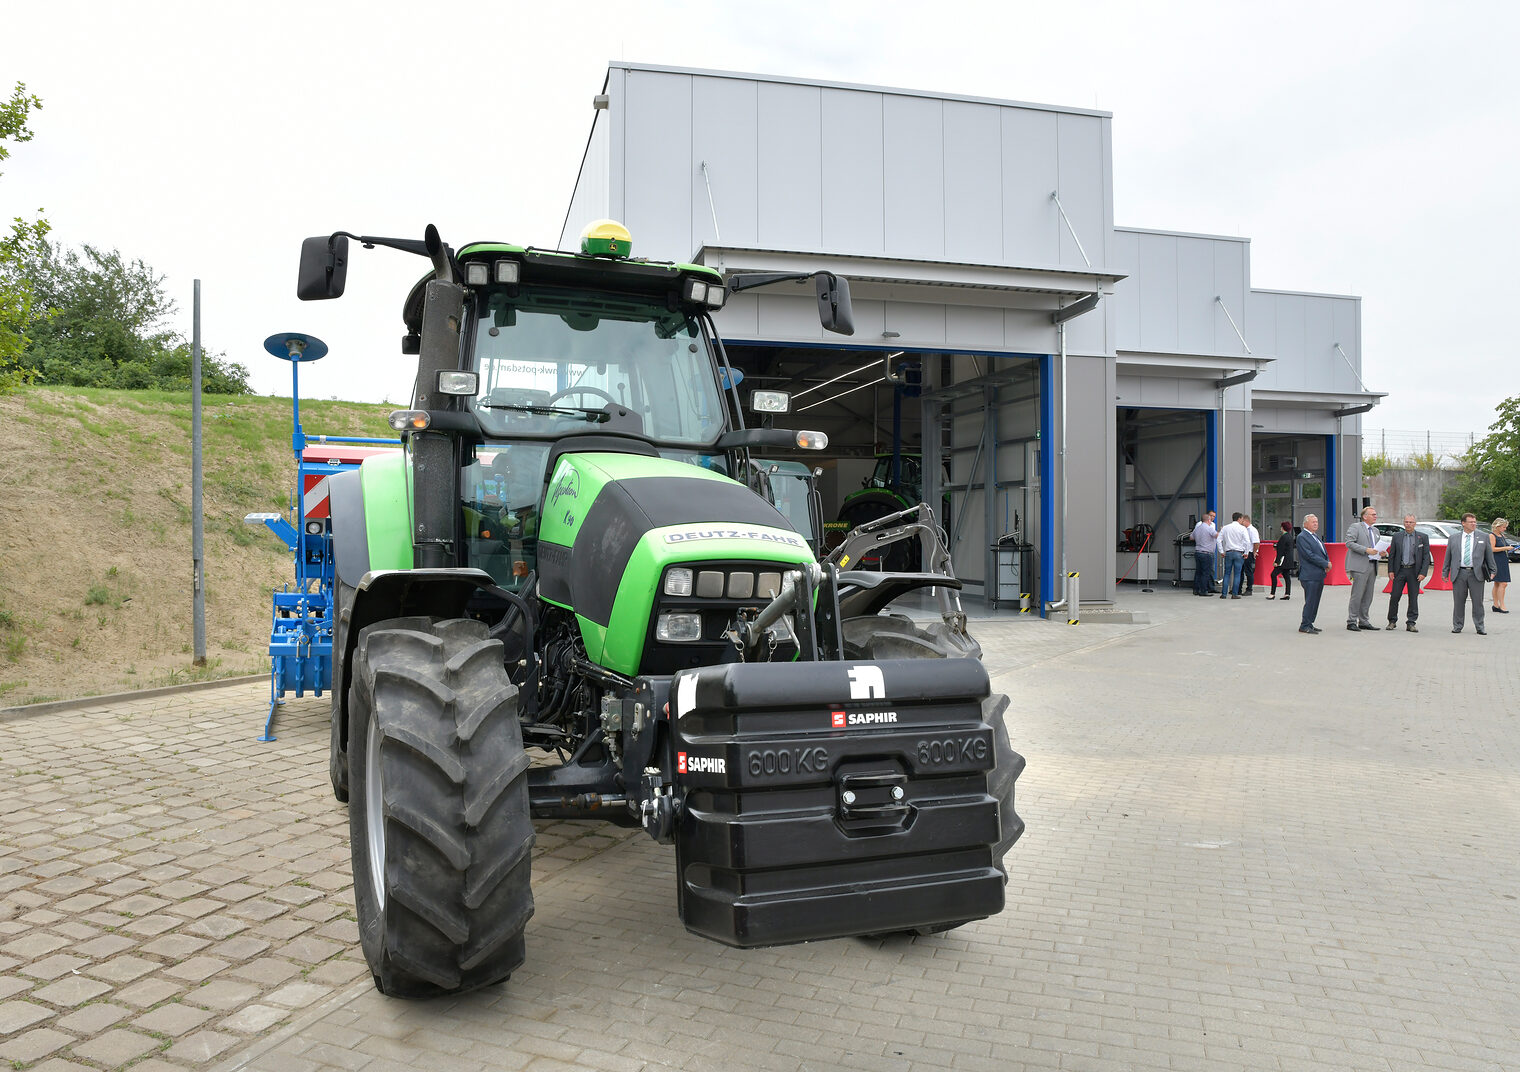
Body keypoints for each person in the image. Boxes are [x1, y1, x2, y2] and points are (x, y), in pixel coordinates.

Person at [1443, 512, 1497, 634]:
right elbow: (1448, 557)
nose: (1474, 524)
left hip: (1476, 574)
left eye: (1475, 522)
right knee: (1458, 602)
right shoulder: (1454, 538)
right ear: (1463, 523)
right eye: (1471, 522)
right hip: (1459, 573)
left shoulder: (1483, 537)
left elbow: (1489, 555)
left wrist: (1493, 570)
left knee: (1478, 602)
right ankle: (1457, 625)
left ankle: (1480, 626)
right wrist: (1445, 572)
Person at [1384, 513, 1431, 632]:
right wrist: (1390, 570)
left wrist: (1423, 572)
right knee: (1394, 596)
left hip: (1414, 571)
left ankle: (1411, 622)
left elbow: (1426, 557)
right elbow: (1392, 555)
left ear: (1415, 524)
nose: (1408, 524)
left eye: (1411, 522)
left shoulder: (1423, 537)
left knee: (1413, 597)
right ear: (1403, 523)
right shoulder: (1397, 536)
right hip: (1400, 570)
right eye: (1406, 522)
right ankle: (1392, 621)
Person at [1344, 506, 1383, 631]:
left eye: (1376, 514)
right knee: (1357, 594)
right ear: (1365, 516)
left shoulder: (1376, 531)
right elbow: (1349, 543)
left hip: (1373, 565)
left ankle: (1364, 620)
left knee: (1368, 595)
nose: (1375, 516)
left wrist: (1382, 553)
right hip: (1360, 566)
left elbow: (1376, 547)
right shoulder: (1356, 527)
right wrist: (1366, 550)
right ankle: (1351, 621)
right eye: (1373, 514)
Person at [1296, 514, 1330, 633]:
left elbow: (1322, 552)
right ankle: (1304, 625)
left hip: (1318, 574)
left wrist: (1326, 562)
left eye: (1316, 521)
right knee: (1310, 601)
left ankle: (1310, 622)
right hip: (1309, 574)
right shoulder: (1302, 537)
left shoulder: (1315, 536)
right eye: (1313, 522)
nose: (1316, 524)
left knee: (1315, 601)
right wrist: (1325, 563)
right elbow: (1309, 555)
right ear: (1305, 524)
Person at [1218, 512, 1252, 599]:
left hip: (1228, 552)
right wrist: (1246, 553)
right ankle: (1234, 593)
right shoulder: (1242, 529)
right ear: (1239, 518)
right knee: (1237, 574)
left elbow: (1218, 540)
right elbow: (1247, 541)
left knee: (1227, 573)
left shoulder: (1225, 528)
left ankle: (1224, 594)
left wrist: (1221, 551)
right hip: (1238, 553)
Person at [1190, 511, 1218, 596]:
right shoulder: (1209, 528)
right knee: (1206, 572)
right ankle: (1204, 590)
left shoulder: (1197, 528)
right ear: (1209, 520)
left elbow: (1191, 537)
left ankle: (1196, 589)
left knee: (1198, 572)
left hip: (1198, 552)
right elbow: (1216, 535)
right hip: (1207, 553)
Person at [1489, 517, 1512, 613]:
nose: (1505, 529)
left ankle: (1495, 605)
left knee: (1498, 583)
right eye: (1503, 527)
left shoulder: (1501, 536)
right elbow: (1492, 549)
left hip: (1503, 560)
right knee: (1503, 583)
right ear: (1497, 526)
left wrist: (1510, 548)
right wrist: (1505, 548)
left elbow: (1505, 546)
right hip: (1496, 561)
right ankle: (1501, 605)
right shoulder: (1492, 535)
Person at [1268, 521, 1295, 600]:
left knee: (1273, 574)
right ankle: (1287, 593)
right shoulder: (1290, 537)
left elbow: (1280, 551)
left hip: (1283, 560)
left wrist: (1276, 561)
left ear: (1283, 528)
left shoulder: (1283, 537)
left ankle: (1272, 593)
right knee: (1286, 576)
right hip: (1289, 559)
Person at [1241, 515, 1262, 595]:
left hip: (1249, 552)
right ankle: (1239, 588)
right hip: (1244, 552)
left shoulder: (1252, 530)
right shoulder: (1244, 529)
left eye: (1242, 521)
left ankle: (1249, 589)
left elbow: (1256, 542)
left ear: (1246, 521)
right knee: (1241, 571)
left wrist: (1254, 552)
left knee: (1249, 571)